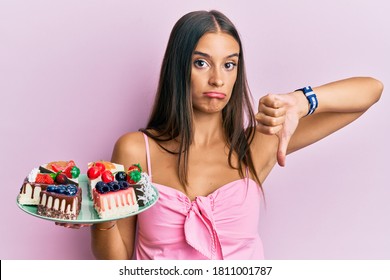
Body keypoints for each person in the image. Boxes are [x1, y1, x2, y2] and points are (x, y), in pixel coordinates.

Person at [61, 10, 383, 260]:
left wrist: (300, 101)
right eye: (201, 63)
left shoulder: (257, 145)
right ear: (178, 68)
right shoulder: (135, 150)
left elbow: (371, 91)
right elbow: (116, 263)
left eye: (229, 65)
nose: (217, 79)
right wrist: (100, 216)